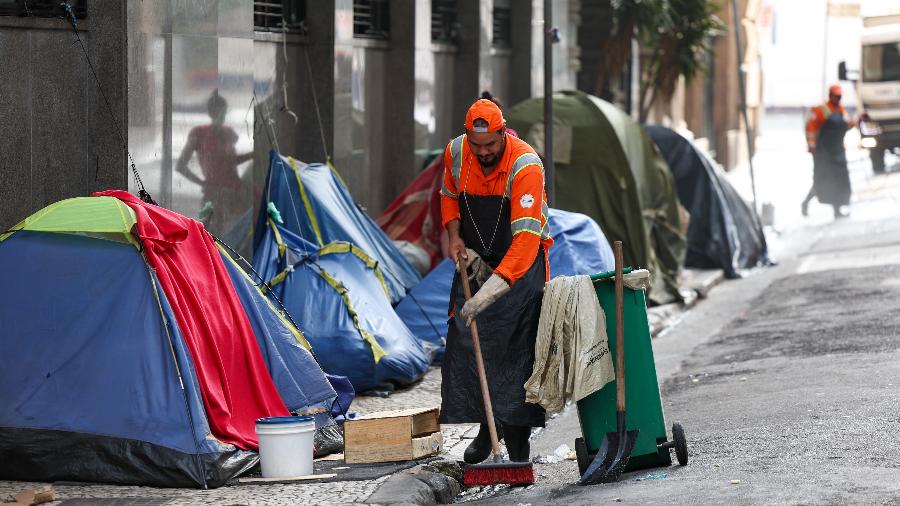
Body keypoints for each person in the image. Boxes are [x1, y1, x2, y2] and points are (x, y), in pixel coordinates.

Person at [438, 99, 553, 464]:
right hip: (475, 261)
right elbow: (449, 197)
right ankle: (488, 429)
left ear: (504, 132)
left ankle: (517, 436)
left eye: (491, 145)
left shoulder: (525, 166)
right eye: (477, 145)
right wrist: (455, 238)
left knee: (516, 350)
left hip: (520, 268)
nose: (484, 152)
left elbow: (524, 242)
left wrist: (489, 293)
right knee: (469, 345)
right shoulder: (456, 152)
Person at [176, 90, 253, 234]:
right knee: (210, 236)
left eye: (224, 113)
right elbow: (180, 166)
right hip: (213, 195)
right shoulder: (198, 134)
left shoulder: (229, 133)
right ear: (211, 113)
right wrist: (203, 183)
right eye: (220, 113)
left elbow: (230, 161)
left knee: (232, 237)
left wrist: (251, 155)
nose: (222, 117)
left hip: (235, 194)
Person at [802, 84, 856, 218]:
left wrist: (854, 123)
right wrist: (811, 145)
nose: (838, 99)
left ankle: (837, 211)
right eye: (836, 96)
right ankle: (806, 202)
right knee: (822, 180)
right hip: (824, 153)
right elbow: (810, 128)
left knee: (838, 181)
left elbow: (846, 124)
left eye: (840, 96)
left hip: (837, 152)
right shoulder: (821, 110)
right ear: (830, 95)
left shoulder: (841, 110)